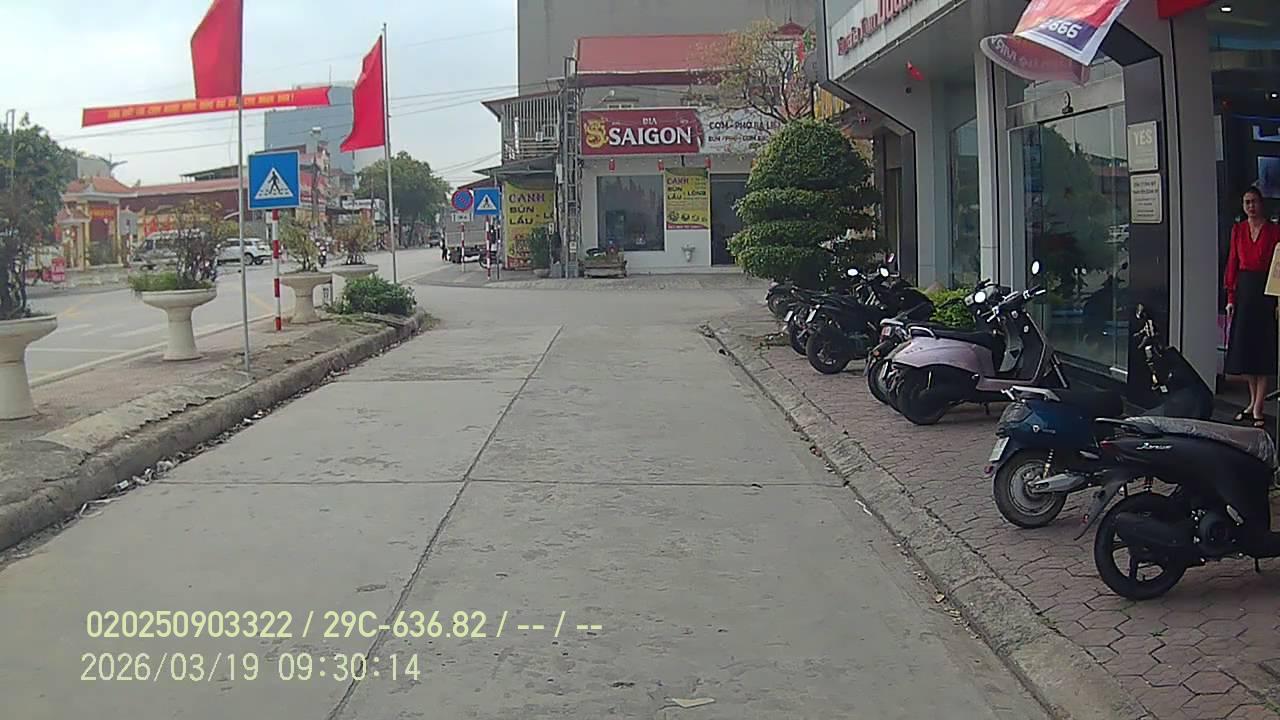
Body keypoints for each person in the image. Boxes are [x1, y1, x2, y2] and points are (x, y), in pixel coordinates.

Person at [1223, 186, 1280, 427]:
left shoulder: (1274, 230)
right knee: (1245, 349)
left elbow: (1278, 265)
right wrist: (1230, 297)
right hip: (1245, 290)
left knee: (1262, 349)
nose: (1250, 206)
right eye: (1247, 202)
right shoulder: (1238, 230)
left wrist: (1277, 299)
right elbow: (1233, 262)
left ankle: (1258, 406)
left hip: (1266, 290)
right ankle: (1251, 400)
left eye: (1254, 201)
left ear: (1261, 203)